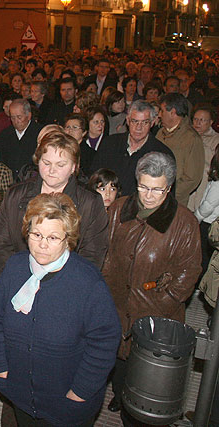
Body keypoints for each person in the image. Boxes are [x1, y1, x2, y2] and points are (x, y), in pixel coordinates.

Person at [0, 192, 120, 427]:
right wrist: (0, 369)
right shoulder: (15, 267)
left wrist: (80, 392)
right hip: (21, 395)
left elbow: (105, 342)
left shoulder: (88, 282)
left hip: (67, 406)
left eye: (53, 237)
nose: (42, 244)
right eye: (36, 234)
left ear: (68, 238)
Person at [102, 152, 201, 418]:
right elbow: (103, 251)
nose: (148, 195)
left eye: (157, 189)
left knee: (143, 371)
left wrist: (164, 301)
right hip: (115, 301)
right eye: (143, 186)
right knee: (117, 358)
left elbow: (189, 271)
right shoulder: (119, 209)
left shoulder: (184, 222)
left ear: (168, 188)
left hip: (155, 310)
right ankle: (119, 395)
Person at [0, 129, 109, 277]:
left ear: (73, 167)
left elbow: (92, 254)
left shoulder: (90, 203)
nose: (52, 170)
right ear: (38, 161)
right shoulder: (16, 195)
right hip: (19, 279)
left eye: (60, 165)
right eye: (46, 163)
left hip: (67, 284)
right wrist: (15, 280)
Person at [91, 100, 174, 197]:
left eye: (145, 122)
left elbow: (167, 196)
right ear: (127, 120)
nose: (139, 127)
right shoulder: (110, 143)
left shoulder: (162, 154)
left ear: (152, 123)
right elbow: (94, 179)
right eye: (135, 121)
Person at [156, 92, 205, 206]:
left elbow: (192, 178)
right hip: (153, 197)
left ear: (172, 112)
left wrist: (167, 193)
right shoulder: (160, 133)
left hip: (174, 202)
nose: (159, 115)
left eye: (162, 111)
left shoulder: (191, 139)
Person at [0, 98, 43, 179]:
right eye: (13, 118)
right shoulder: (5, 135)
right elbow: (0, 161)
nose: (16, 121)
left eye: (19, 117)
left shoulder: (40, 133)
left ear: (29, 116)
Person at [189, 103, 219, 213]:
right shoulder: (187, 136)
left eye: (202, 120)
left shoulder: (216, 140)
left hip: (205, 185)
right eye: (195, 119)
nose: (198, 123)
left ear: (211, 122)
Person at [195, 144, 219, 274]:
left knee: (204, 255)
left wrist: (196, 217)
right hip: (213, 222)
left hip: (209, 223)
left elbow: (208, 206)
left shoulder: (217, 185)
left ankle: (200, 284)